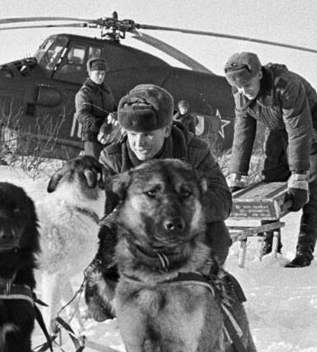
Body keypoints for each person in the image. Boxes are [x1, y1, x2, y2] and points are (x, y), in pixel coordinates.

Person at [223, 51, 317, 268]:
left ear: (259, 76)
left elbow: (299, 130)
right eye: (239, 88)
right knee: (269, 183)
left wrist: (299, 174)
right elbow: (243, 132)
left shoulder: (287, 86)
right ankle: (269, 246)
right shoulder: (240, 92)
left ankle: (304, 252)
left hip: (312, 135)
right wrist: (237, 174)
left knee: (308, 193)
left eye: (248, 86)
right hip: (279, 131)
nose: (244, 92)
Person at [99, 84, 233, 264]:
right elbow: (98, 204)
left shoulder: (194, 152)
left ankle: (205, 284)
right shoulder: (112, 158)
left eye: (148, 135)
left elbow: (222, 201)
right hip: (135, 237)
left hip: (182, 231)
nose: (139, 143)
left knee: (217, 235)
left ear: (167, 130)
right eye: (132, 135)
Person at [75, 57, 117, 158]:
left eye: (103, 74)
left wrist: (115, 115)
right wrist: (100, 125)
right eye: (98, 73)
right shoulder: (84, 93)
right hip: (92, 138)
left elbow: (114, 108)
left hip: (108, 137)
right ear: (90, 74)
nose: (101, 77)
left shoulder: (107, 92)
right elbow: (82, 115)